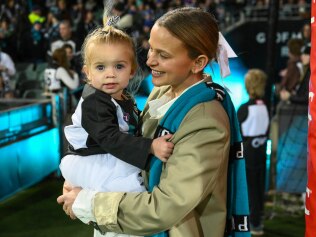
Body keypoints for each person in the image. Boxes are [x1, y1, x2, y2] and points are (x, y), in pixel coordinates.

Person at [58, 7, 251, 237]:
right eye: (150, 49)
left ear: (198, 63)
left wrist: (88, 202)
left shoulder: (206, 120)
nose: (149, 60)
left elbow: (166, 207)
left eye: (163, 55)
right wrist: (85, 178)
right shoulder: (163, 92)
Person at [59, 12, 174, 237]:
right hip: (94, 161)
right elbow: (110, 138)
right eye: (101, 67)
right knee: (129, 201)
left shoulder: (122, 97)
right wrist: (150, 146)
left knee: (119, 218)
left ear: (131, 70)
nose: (110, 74)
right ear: (87, 73)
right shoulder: (94, 100)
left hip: (106, 159)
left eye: (119, 67)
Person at [237, 69, 269, 236]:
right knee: (258, 185)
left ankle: (254, 222)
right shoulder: (264, 105)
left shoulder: (244, 108)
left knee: (250, 188)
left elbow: (236, 132)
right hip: (260, 151)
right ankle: (258, 219)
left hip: (247, 152)